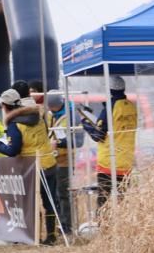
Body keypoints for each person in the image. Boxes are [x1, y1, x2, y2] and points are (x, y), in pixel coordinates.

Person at [0, 89, 58, 245]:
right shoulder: (39, 118)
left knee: (32, 202)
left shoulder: (14, 124)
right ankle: (51, 236)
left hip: (32, 168)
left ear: (4, 106)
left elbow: (13, 150)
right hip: (49, 163)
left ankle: (33, 236)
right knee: (49, 202)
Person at [81, 75, 137, 208]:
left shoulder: (110, 108)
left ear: (109, 89)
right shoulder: (131, 106)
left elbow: (98, 136)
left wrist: (86, 122)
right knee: (122, 201)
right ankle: (123, 226)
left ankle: (103, 228)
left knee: (103, 200)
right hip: (126, 161)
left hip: (109, 161)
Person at [46, 90, 84, 235]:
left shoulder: (72, 116)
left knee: (63, 194)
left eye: (50, 106)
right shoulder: (50, 115)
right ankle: (59, 225)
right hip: (51, 160)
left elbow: (79, 142)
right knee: (54, 194)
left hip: (66, 161)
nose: (48, 109)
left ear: (55, 105)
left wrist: (59, 143)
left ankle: (66, 227)